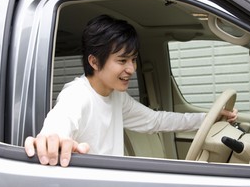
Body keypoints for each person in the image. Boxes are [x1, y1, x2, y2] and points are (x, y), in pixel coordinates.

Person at [24, 14, 237, 167]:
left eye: (133, 59)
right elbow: (60, 122)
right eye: (122, 60)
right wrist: (51, 139)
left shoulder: (117, 97)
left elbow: (156, 121)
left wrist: (208, 119)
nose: (131, 69)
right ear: (94, 62)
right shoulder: (77, 94)